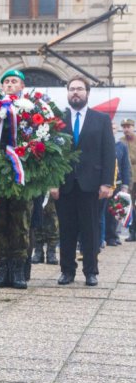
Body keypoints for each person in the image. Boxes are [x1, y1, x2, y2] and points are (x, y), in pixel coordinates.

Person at [50, 77, 115, 287]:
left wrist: (107, 183)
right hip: (64, 185)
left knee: (91, 230)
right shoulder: (58, 119)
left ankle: (91, 271)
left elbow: (108, 153)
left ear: (87, 93)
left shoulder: (101, 119)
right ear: (67, 93)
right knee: (67, 230)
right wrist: (53, 182)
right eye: (71, 89)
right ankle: (67, 271)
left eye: (79, 89)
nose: (75, 93)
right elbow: (51, 155)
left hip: (92, 185)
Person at [0, 70, 32, 290]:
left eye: (14, 81)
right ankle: (2, 267)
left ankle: (18, 269)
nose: (9, 84)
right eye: (6, 81)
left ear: (22, 86)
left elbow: (34, 138)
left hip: (20, 173)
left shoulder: (30, 109)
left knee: (20, 223)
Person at [106, 123, 131, 245]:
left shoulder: (121, 146)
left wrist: (125, 185)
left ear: (117, 130)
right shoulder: (103, 143)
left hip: (117, 183)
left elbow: (126, 166)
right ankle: (103, 236)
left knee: (115, 211)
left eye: (114, 128)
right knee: (102, 212)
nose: (112, 130)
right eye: (110, 127)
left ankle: (112, 236)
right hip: (103, 183)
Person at [31, 197, 59, 265]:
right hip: (38, 190)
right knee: (37, 217)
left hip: (52, 192)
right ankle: (38, 251)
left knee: (53, 221)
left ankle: (51, 252)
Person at [121, 118, 136, 242]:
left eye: (128, 126)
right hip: (128, 180)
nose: (126, 129)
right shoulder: (120, 142)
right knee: (129, 206)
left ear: (133, 127)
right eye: (124, 127)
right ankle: (132, 232)